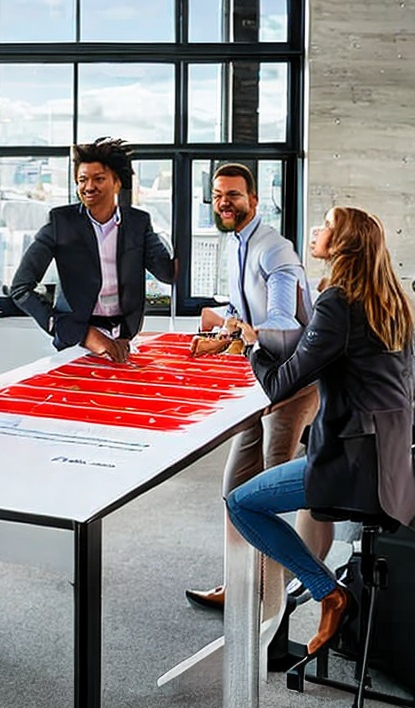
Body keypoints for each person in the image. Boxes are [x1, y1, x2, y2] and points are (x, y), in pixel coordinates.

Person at [225, 205, 415, 658]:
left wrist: (251, 344)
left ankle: (327, 592)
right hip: (394, 461)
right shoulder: (394, 303)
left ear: (343, 243)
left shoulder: (337, 301)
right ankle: (313, 598)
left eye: (326, 225)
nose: (316, 231)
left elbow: (280, 383)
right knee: (287, 484)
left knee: (242, 503)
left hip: (352, 463)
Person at [185, 163, 325, 611]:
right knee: (235, 485)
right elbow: (245, 309)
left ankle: (272, 600)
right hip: (260, 378)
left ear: (254, 201)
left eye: (233, 195)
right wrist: (221, 324)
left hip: (294, 383)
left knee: (266, 489)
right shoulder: (238, 245)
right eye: (217, 194)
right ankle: (240, 582)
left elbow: (283, 322)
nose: (224, 201)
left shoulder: (274, 249)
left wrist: (239, 330)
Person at [9, 137, 176, 362]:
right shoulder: (61, 222)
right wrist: (80, 333)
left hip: (124, 338)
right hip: (76, 340)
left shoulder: (138, 223)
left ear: (117, 183)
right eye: (82, 180)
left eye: (98, 179)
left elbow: (167, 274)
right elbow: (20, 287)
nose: (88, 187)